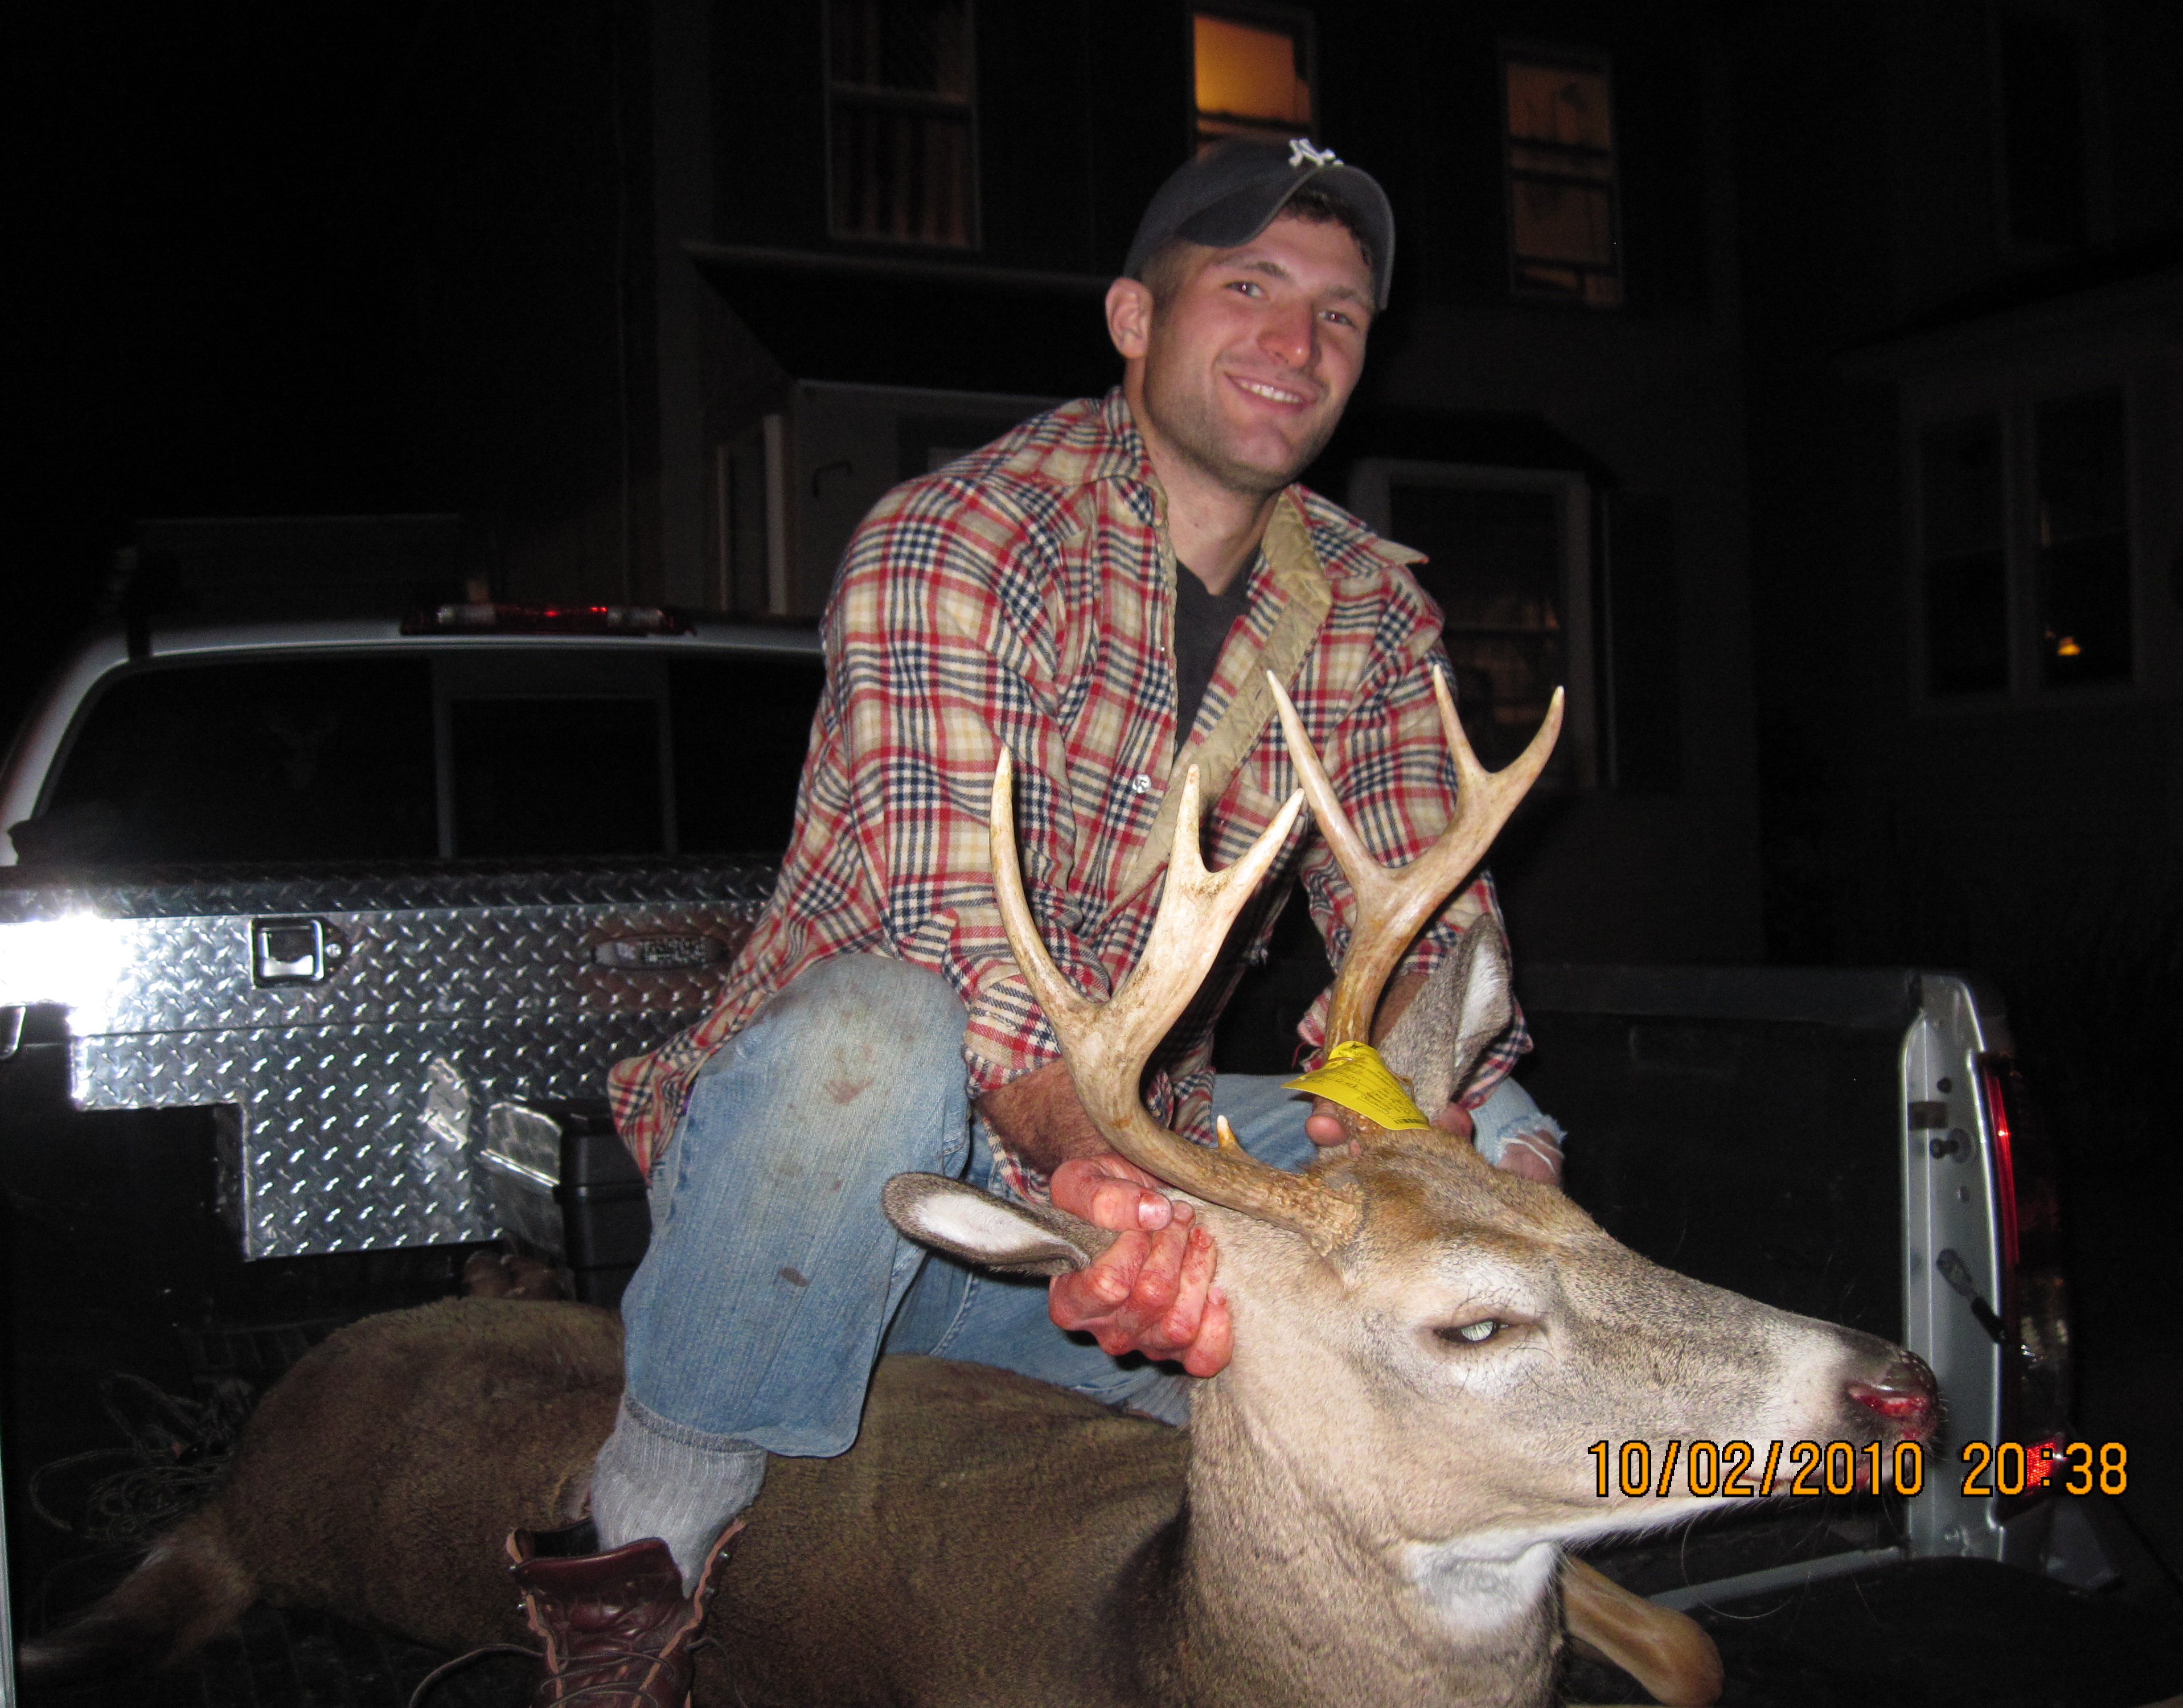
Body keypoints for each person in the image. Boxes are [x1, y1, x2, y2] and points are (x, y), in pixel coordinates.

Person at [502, 137, 1568, 1708]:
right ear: (1136, 318)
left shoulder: (1364, 607)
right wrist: (1127, 1199)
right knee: (882, 1028)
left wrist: (1441, 1123)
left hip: (1103, 1191)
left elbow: (1414, 925)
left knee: (1473, 1128)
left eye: (1340, 313)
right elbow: (965, 956)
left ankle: (1459, 1508)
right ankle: (651, 1525)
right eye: (1249, 287)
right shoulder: (960, 541)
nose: (1296, 342)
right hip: (844, 1194)